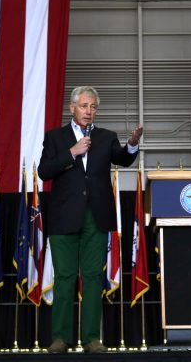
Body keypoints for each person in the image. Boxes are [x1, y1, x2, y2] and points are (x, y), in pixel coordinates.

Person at [38, 86, 143, 354]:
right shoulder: (55, 138)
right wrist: (72, 152)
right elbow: (44, 171)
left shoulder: (106, 137)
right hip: (63, 217)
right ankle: (61, 338)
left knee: (94, 277)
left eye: (93, 106)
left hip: (96, 216)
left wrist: (132, 144)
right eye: (84, 106)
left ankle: (91, 338)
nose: (89, 111)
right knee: (64, 276)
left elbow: (124, 159)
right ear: (72, 108)